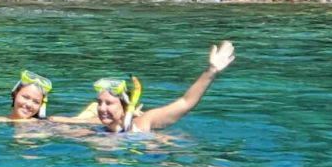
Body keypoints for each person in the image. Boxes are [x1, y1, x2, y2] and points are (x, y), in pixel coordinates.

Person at [90, 41, 235, 134]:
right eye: (99, 103)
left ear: (125, 105)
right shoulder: (95, 130)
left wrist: (211, 70)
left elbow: (185, 102)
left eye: (109, 103)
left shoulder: (144, 122)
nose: (102, 108)